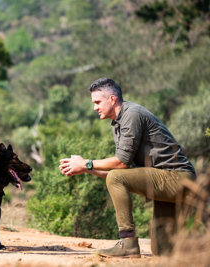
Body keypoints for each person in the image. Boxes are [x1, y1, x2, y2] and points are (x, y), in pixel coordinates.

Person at [59, 77, 196, 258]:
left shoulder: (132, 114)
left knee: (115, 177)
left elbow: (120, 164)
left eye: (97, 102)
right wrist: (86, 169)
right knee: (163, 251)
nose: (95, 108)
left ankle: (128, 243)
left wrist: (86, 162)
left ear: (112, 99)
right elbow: (121, 171)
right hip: (165, 179)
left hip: (178, 179)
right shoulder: (118, 122)